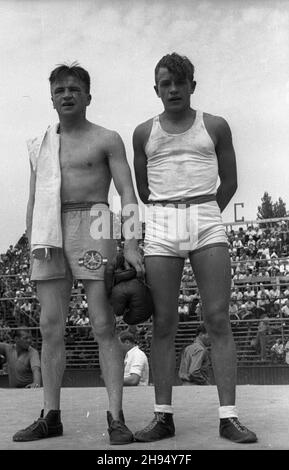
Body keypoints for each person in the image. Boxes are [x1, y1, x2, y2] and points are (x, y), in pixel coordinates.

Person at [13, 63, 143, 445]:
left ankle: (116, 417)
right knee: (49, 326)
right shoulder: (41, 145)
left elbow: (127, 192)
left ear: (88, 95)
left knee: (103, 324)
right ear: (51, 98)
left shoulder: (107, 138)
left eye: (74, 88)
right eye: (59, 90)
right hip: (49, 229)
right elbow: (35, 198)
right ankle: (50, 415)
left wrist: (131, 242)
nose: (66, 95)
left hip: (95, 221)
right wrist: (31, 245)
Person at [133, 52, 257, 443]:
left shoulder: (215, 125)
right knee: (164, 323)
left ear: (192, 86)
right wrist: (170, 217)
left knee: (218, 319)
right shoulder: (142, 133)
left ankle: (229, 416)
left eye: (180, 82)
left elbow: (231, 181)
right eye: (166, 83)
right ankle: (162, 416)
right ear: (156, 89)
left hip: (205, 216)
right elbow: (143, 189)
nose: (173, 89)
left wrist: (202, 213)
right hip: (162, 221)